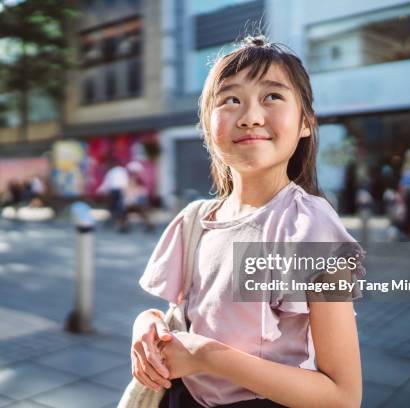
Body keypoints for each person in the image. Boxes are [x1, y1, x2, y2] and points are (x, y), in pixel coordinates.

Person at [130, 36, 364, 407]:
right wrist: (147, 322)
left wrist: (207, 356)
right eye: (230, 100)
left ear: (306, 123)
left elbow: (343, 396)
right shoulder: (194, 221)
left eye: (272, 96)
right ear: (207, 127)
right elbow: (184, 316)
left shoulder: (312, 226)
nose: (251, 116)